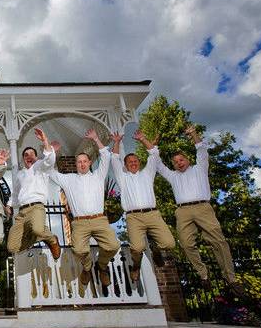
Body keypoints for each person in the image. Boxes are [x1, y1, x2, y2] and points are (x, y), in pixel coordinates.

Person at [155, 125, 244, 296]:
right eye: (175, 161)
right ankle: (203, 274)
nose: (178, 163)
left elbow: (202, 151)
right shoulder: (173, 176)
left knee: (219, 241)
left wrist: (193, 134)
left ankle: (231, 279)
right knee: (186, 243)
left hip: (203, 207)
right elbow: (158, 165)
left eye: (181, 160)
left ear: (187, 160)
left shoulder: (199, 169)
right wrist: (154, 146)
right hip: (183, 211)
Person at [49, 128, 121, 295]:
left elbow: (105, 155)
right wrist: (53, 153)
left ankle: (101, 266)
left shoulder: (98, 175)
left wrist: (96, 139)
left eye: (84, 161)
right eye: (79, 162)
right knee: (79, 250)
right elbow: (51, 172)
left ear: (89, 163)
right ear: (76, 164)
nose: (82, 164)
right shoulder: (69, 180)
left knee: (113, 245)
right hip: (80, 222)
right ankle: (87, 267)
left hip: (99, 220)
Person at [110, 130, 176, 282]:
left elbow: (153, 154)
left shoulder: (148, 173)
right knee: (137, 248)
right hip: (134, 217)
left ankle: (155, 248)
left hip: (153, 214)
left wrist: (143, 139)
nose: (133, 163)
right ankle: (136, 266)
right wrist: (117, 142)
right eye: (130, 162)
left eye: (135, 161)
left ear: (139, 163)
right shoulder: (123, 177)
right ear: (125, 166)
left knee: (169, 243)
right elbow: (114, 158)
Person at [6, 128, 61, 260]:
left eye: (31, 154)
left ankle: (52, 239)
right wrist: (9, 205)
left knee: (37, 229)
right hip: (22, 213)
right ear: (23, 159)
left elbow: (49, 159)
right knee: (12, 247)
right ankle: (40, 236)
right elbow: (15, 193)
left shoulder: (41, 167)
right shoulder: (20, 174)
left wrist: (45, 141)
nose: (29, 156)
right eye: (26, 155)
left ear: (36, 157)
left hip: (36, 207)